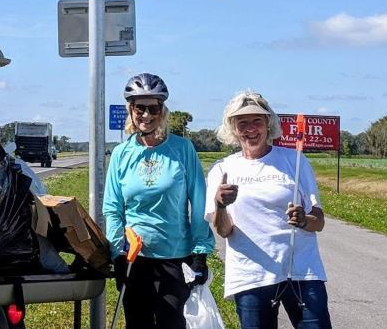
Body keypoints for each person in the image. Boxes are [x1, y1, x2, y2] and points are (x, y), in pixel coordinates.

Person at [206, 91, 331, 329]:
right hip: (251, 275)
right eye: (242, 122)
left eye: (257, 121)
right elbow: (224, 230)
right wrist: (221, 205)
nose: (250, 129)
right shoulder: (222, 169)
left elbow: (319, 220)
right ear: (233, 128)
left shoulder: (294, 161)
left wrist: (304, 219)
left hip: (301, 273)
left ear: (268, 124)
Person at [103, 73, 215, 329]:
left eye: (153, 108)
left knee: (172, 322)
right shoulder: (122, 154)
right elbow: (113, 207)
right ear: (130, 110)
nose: (146, 115)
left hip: (175, 255)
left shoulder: (182, 149)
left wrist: (200, 253)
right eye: (139, 108)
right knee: (138, 324)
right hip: (135, 258)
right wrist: (117, 253)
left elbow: (199, 202)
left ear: (162, 110)